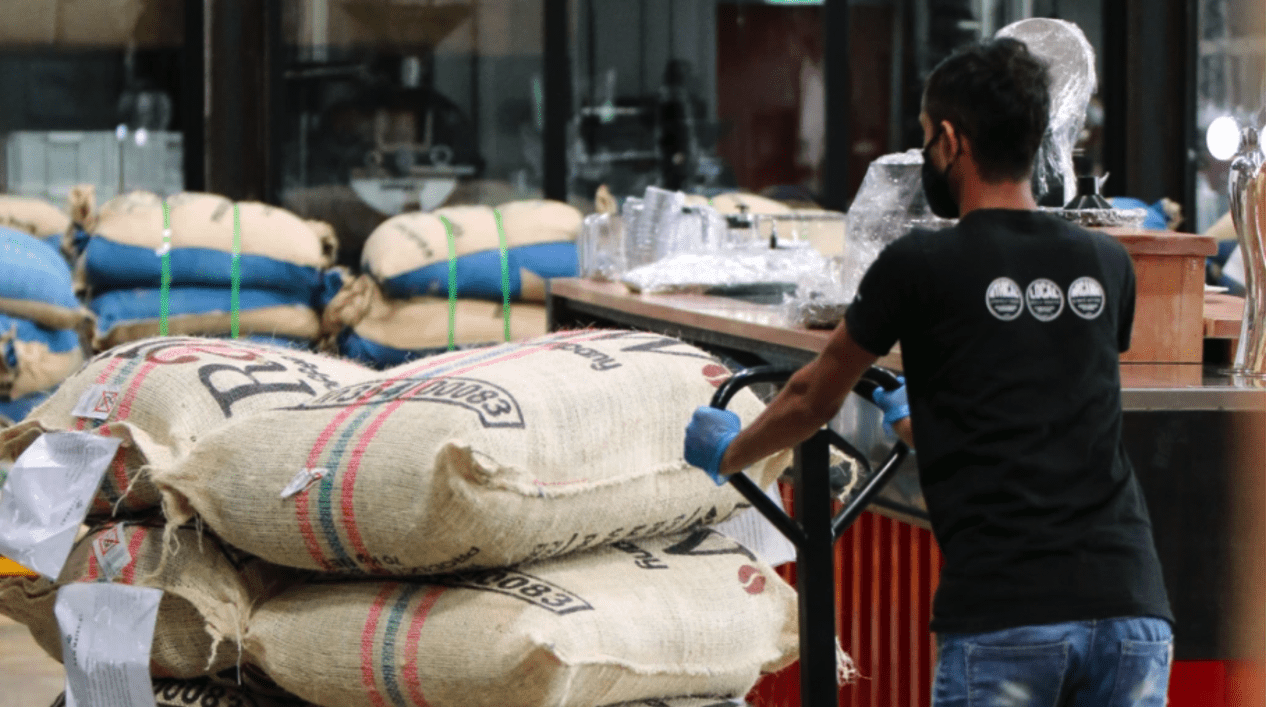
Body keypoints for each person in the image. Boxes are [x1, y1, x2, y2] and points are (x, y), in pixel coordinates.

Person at [684, 37, 1174, 706]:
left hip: (1008, 615)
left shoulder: (918, 264)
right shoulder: (1106, 263)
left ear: (951, 140)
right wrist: (919, 419)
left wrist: (728, 452)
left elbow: (810, 398)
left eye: (924, 140)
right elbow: (1034, 412)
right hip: (1132, 612)